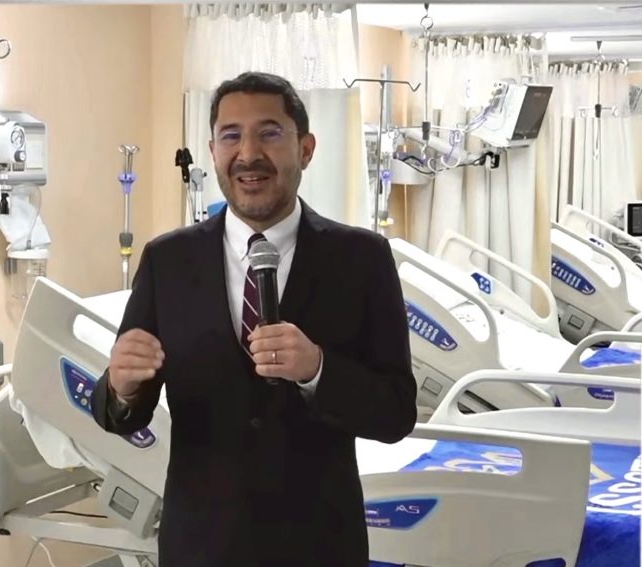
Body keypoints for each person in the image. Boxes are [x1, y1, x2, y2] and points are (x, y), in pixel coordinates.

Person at [90, 71, 417, 567]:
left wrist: (318, 370)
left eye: (269, 133)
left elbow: (397, 413)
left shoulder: (361, 259)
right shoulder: (167, 262)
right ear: (212, 151)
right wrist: (121, 387)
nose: (248, 154)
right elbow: (122, 414)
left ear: (305, 149)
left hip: (320, 546)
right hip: (202, 546)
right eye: (231, 136)